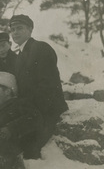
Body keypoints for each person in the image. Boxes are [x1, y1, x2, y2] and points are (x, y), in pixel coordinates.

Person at [9, 14, 68, 159]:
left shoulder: (41, 48)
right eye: (13, 29)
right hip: (30, 108)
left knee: (27, 147)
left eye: (20, 28)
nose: (15, 32)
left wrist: (30, 113)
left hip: (46, 110)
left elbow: (48, 87)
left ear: (30, 29)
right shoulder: (19, 56)